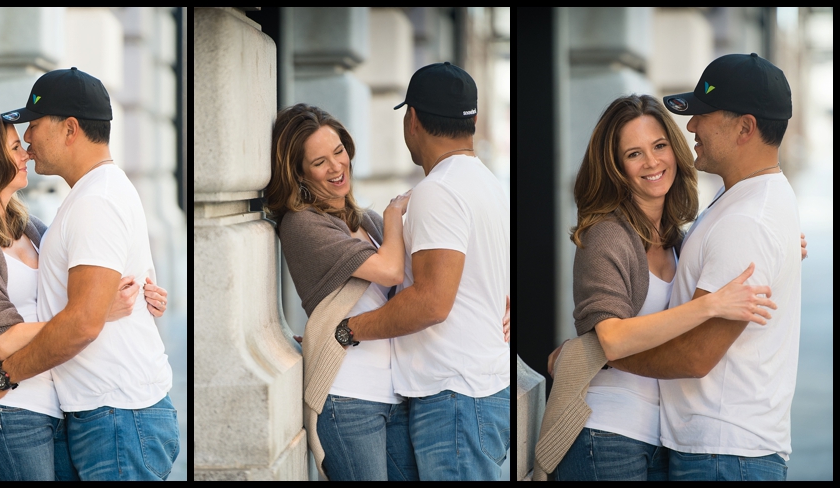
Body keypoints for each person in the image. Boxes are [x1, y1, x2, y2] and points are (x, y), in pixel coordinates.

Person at [535, 94, 779, 482]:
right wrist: (710, 306)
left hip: (663, 439)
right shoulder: (606, 236)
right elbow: (612, 339)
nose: (652, 162)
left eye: (659, 146)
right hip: (606, 434)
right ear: (615, 167)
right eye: (634, 154)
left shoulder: (679, 240)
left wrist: (778, 243)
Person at [266, 103, 510, 481]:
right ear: (298, 173)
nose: (336, 166)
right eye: (319, 162)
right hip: (347, 397)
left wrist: (501, 302)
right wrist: (396, 216)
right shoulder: (303, 225)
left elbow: (436, 276)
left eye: (338, 151)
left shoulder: (365, 222)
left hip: (397, 394)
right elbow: (391, 269)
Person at [0, 106, 170, 481]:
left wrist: (141, 294)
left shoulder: (28, 224)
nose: (26, 151)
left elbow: (80, 283)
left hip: (63, 404)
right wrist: (95, 313)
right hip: (15, 411)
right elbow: (4, 338)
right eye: (13, 148)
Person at [0, 67, 180, 481]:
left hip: (118, 420)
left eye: (34, 126)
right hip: (113, 416)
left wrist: (6, 374)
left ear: (70, 128)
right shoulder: (98, 192)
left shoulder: (98, 201)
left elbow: (83, 323)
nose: (27, 140)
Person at [615, 52, 800, 481]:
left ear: (745, 127)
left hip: (723, 456)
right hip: (723, 451)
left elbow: (697, 355)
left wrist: (604, 355)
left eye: (703, 114)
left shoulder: (748, 220)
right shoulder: (752, 199)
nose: (691, 126)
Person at [341, 62, 511, 481]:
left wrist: (348, 330)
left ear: (411, 119)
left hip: (454, 399)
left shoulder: (440, 189)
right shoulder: (488, 183)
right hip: (472, 393)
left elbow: (433, 302)